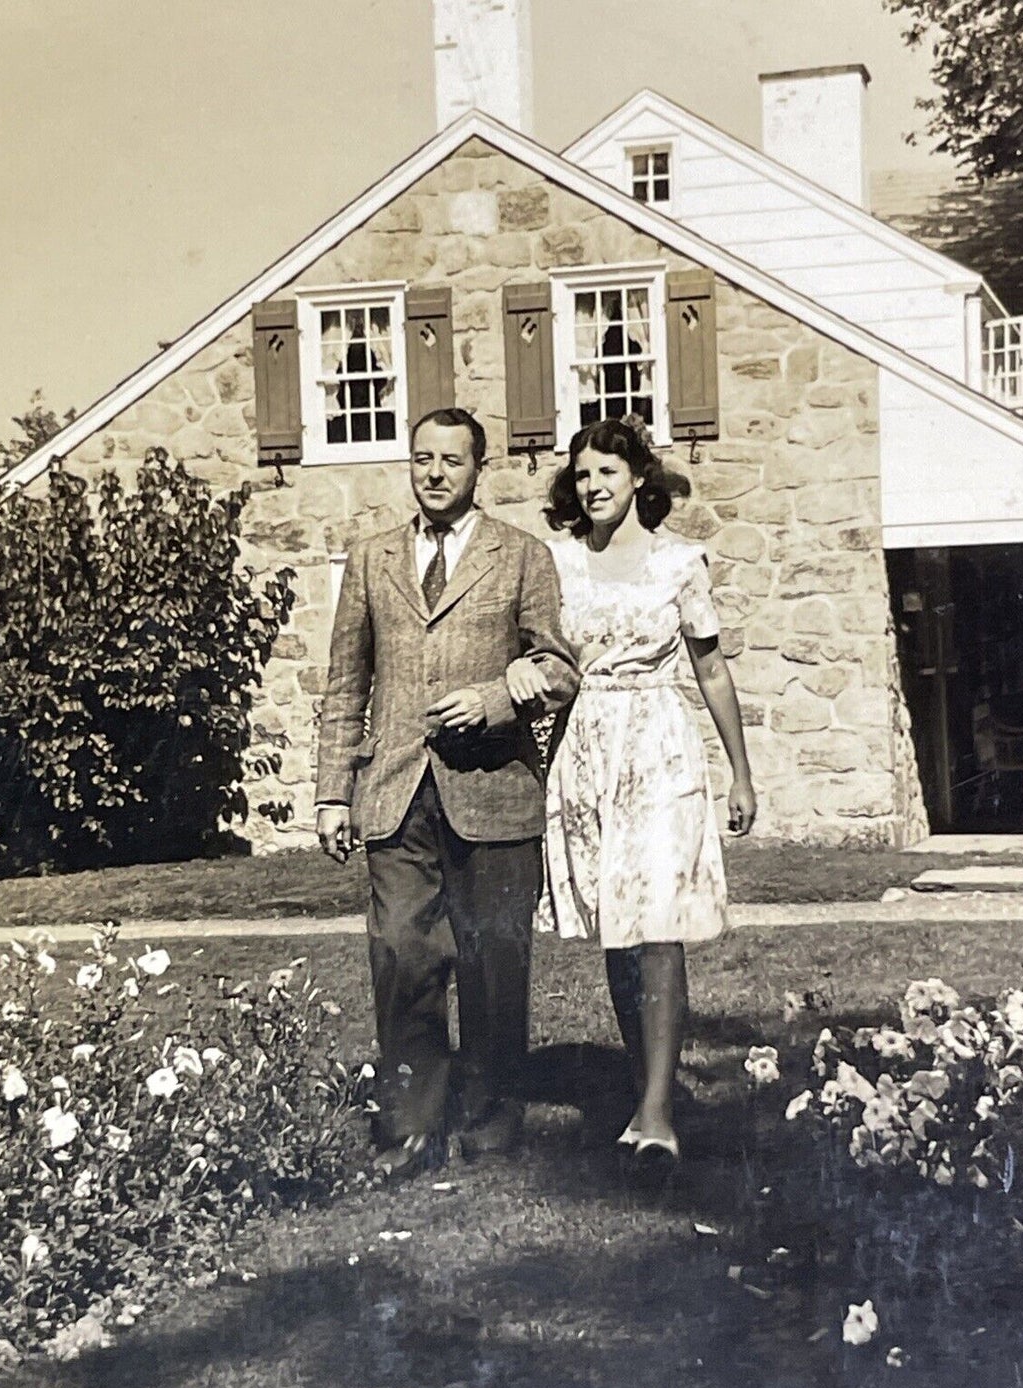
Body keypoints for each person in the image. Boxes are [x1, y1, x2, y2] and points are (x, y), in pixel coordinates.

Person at [315, 408, 579, 1180]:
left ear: (477, 468)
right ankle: (407, 1130)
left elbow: (558, 668)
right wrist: (334, 792)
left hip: (492, 791)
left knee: (494, 961)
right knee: (401, 954)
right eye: (422, 458)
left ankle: (491, 1125)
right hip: (396, 790)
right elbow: (344, 684)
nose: (434, 473)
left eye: (451, 461)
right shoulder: (371, 558)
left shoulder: (521, 556)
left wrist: (495, 697)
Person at [507, 417, 757, 1162]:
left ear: (638, 479)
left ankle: (655, 1111)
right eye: (582, 475)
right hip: (585, 749)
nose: (592, 487)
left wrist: (740, 772)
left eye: (606, 473)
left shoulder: (679, 563)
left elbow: (710, 668)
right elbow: (539, 657)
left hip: (656, 744)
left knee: (657, 920)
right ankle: (643, 1082)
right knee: (617, 927)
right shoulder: (556, 564)